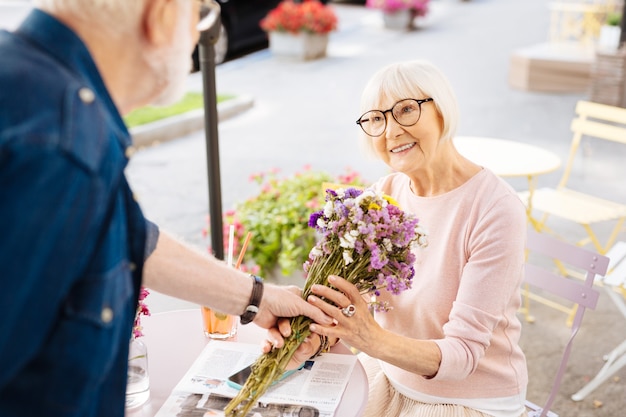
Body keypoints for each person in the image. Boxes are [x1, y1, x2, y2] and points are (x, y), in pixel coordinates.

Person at [0, 1, 330, 416]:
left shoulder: (31, 89)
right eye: (200, 13)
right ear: (161, 15)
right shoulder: (59, 147)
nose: (197, 35)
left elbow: (130, 235)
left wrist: (256, 297)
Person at [274, 60, 528, 417]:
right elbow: (357, 299)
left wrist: (368, 338)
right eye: (376, 118)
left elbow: (463, 355)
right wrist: (319, 330)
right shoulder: (387, 193)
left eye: (406, 110)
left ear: (442, 110)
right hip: (389, 378)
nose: (390, 131)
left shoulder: (495, 209)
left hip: (466, 401)